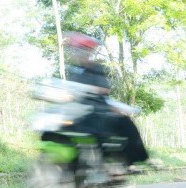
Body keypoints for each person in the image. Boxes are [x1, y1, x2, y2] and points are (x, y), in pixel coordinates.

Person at [63, 32, 149, 168]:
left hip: (98, 109)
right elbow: (69, 92)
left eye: (84, 51)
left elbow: (104, 90)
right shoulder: (73, 71)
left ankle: (129, 162)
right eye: (77, 51)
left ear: (89, 52)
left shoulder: (97, 68)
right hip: (79, 111)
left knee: (125, 123)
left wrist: (87, 89)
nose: (81, 54)